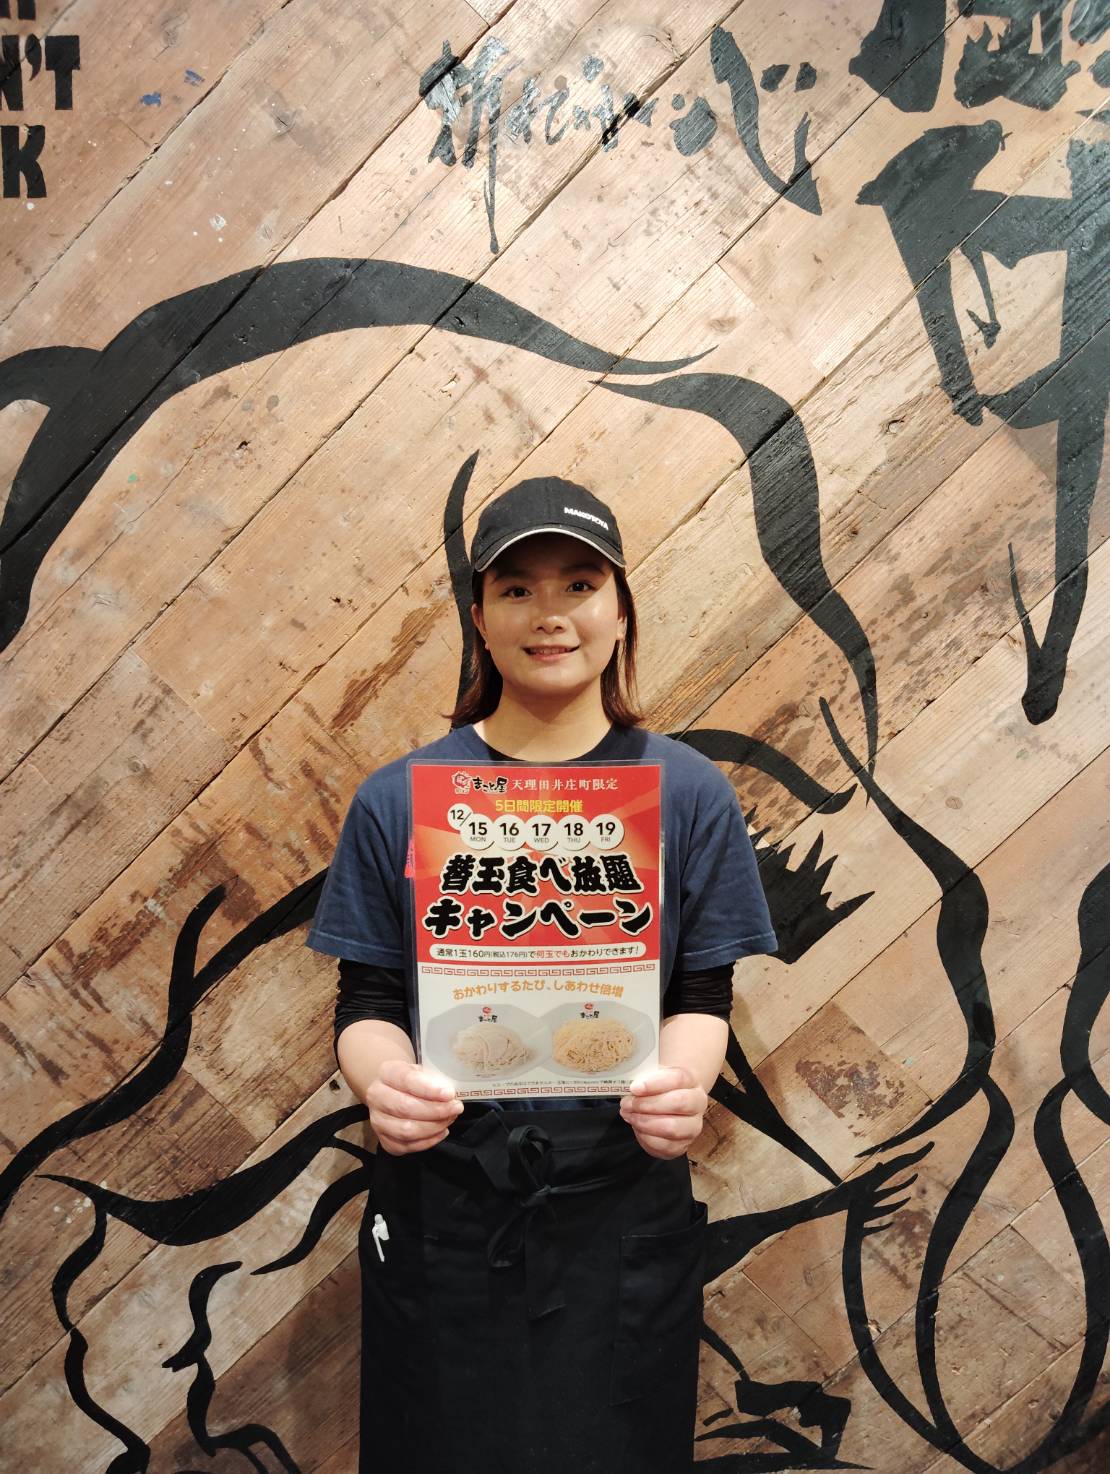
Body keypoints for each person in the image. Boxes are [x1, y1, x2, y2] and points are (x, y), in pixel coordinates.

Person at [305, 476, 778, 1474]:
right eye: (516, 589)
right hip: (445, 1206)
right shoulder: (398, 799)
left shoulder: (688, 792)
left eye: (579, 584)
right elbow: (369, 1001)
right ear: (480, 618)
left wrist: (682, 1086)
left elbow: (701, 994)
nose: (549, 613)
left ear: (621, 610)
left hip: (621, 1204)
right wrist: (384, 1083)